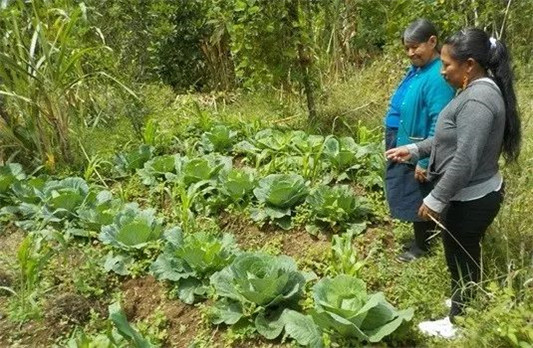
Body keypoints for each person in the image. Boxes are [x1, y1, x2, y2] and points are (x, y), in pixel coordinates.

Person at [386, 28, 521, 337]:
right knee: (464, 252)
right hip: (469, 194)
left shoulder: (479, 99)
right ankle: (467, 297)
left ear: (469, 64)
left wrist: (436, 199)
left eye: (447, 64)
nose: (442, 70)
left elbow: (465, 158)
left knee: (459, 252)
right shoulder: (475, 89)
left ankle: (457, 322)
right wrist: (415, 149)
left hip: (471, 198)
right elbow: (448, 137)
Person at [384, 19, 455, 262]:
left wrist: (424, 159)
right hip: (404, 139)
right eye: (407, 48)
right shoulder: (418, 70)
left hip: (418, 146)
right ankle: (427, 238)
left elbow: (440, 122)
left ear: (432, 41)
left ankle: (422, 247)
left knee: (418, 193)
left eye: (415, 47)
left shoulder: (437, 76)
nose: (411, 52)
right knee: (408, 190)